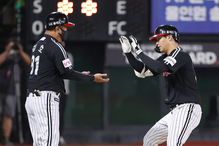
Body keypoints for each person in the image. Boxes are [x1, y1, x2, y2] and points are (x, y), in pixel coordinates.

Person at [25, 11, 109, 146]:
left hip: (32, 99)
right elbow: (68, 73)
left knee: (40, 143)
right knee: (50, 143)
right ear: (57, 28)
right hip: (45, 98)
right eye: (65, 27)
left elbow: (59, 72)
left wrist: (79, 73)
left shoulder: (38, 44)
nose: (66, 30)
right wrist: (93, 78)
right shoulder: (56, 46)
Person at [119, 24, 202, 146]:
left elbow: (160, 67)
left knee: (174, 143)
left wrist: (139, 51)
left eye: (159, 38)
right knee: (149, 140)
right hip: (175, 111)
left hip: (188, 108)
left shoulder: (180, 54)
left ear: (169, 37)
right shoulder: (165, 57)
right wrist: (129, 53)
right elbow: (142, 71)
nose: (156, 42)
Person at [0, 41, 31, 145]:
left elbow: (29, 62)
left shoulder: (18, 59)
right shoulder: (4, 55)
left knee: (8, 115)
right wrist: (7, 50)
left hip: (11, 90)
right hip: (1, 89)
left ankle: (6, 138)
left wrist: (20, 52)